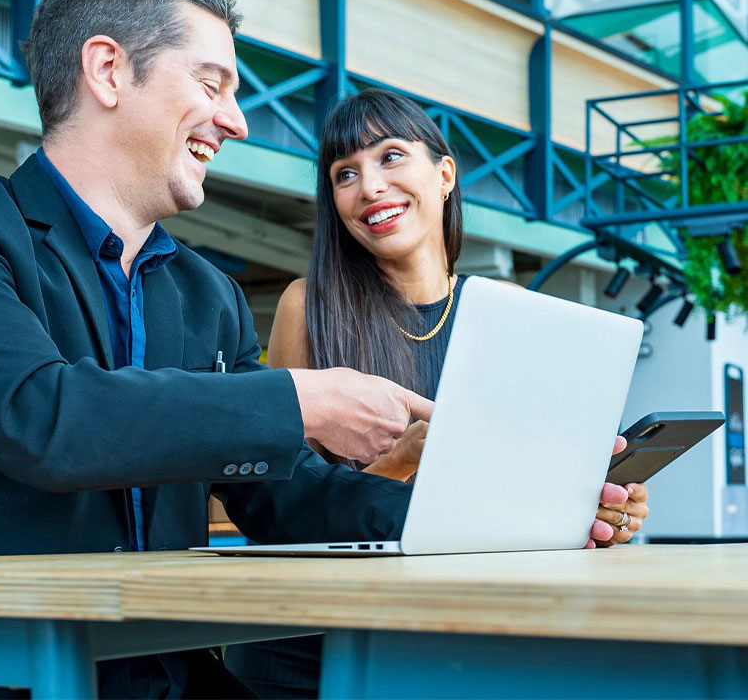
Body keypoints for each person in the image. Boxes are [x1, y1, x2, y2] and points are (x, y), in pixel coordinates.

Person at [0, 0, 434, 699]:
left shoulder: (208, 294)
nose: (237, 121)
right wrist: (299, 399)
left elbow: (280, 495)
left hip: (159, 675)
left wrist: (471, 517)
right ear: (108, 72)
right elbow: (41, 418)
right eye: (212, 85)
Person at [225, 88, 651, 698]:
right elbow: (281, 508)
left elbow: (517, 509)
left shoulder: (512, 316)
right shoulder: (308, 306)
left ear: (445, 174)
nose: (370, 186)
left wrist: (596, 507)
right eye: (345, 174)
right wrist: (401, 462)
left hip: (450, 633)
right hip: (309, 637)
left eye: (390, 156)